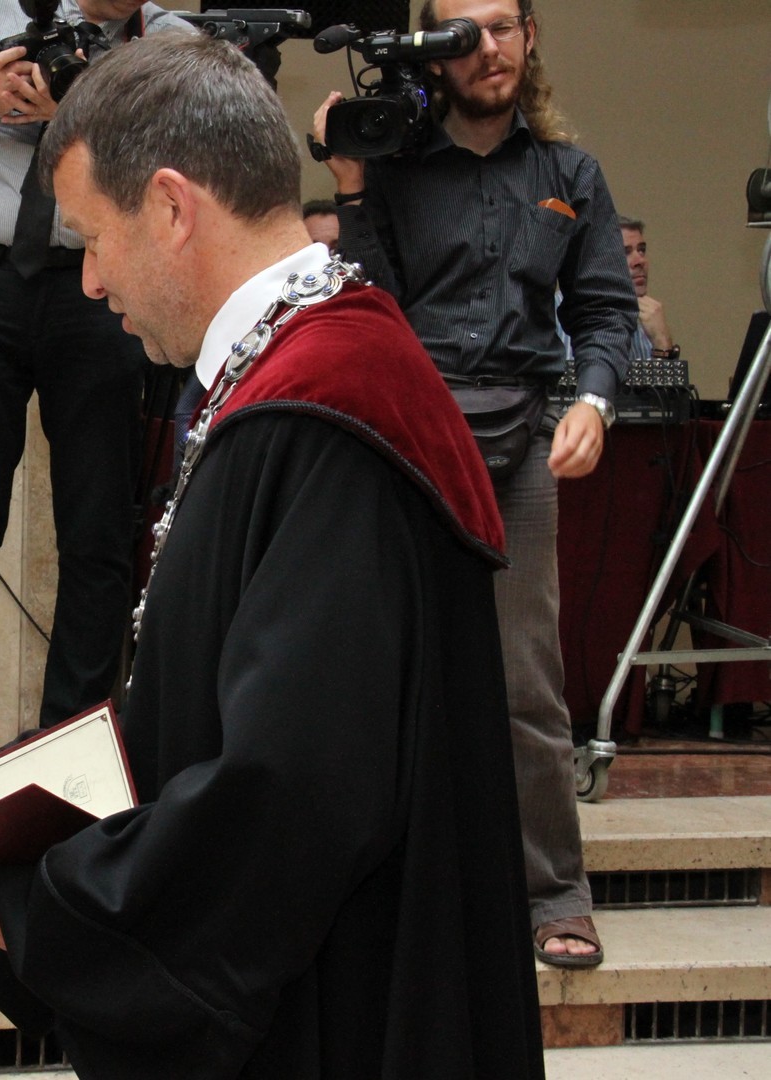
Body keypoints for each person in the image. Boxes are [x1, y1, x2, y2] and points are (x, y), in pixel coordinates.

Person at [0, 32, 544, 1077]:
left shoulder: (325, 410)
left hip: (342, 1013)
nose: (86, 282)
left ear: (171, 208)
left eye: (92, 238)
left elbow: (286, 795)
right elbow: (178, 718)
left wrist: (39, 902)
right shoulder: (288, 369)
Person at [312, 0, 637, 968]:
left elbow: (607, 310)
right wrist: (353, 188)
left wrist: (595, 401)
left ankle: (555, 895)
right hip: (410, 438)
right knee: (378, 673)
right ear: (433, 53)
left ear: (531, 36)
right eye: (464, 33)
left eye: (503, 27)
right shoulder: (396, 170)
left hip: (523, 441)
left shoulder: (570, 176)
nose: (487, 49)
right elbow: (367, 309)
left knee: (526, 682)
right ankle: (372, 896)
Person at [0, 0, 188, 771]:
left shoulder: (168, 43)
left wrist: (75, 113)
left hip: (103, 284)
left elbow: (187, 174)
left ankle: (70, 755)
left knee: (98, 531)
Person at [620, 215, 678, 360]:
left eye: (642, 250)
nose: (640, 261)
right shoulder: (564, 320)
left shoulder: (646, 327)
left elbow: (662, 375)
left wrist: (662, 343)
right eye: (625, 252)